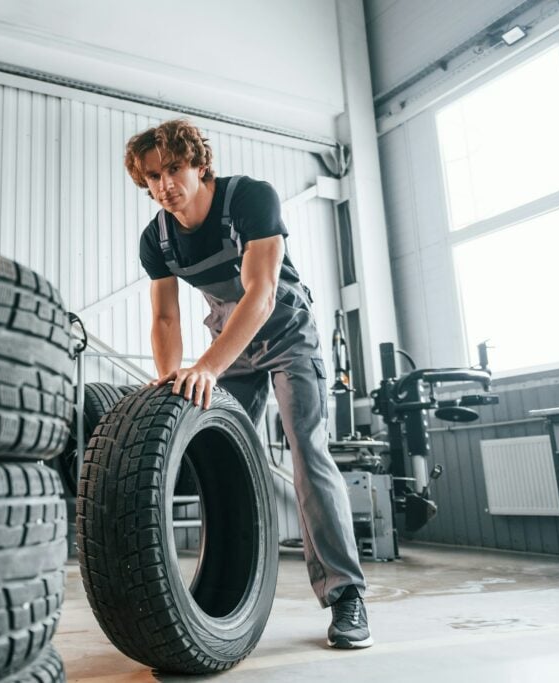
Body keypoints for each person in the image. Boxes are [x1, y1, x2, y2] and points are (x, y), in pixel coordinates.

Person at [124, 118, 373, 650]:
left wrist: (207, 368)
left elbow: (260, 295)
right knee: (221, 457)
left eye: (173, 168)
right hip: (230, 341)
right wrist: (172, 382)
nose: (165, 184)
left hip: (285, 331)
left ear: (199, 164)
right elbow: (166, 320)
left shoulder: (249, 200)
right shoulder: (157, 240)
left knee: (307, 450)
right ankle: (224, 588)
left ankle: (346, 595)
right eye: (152, 176)